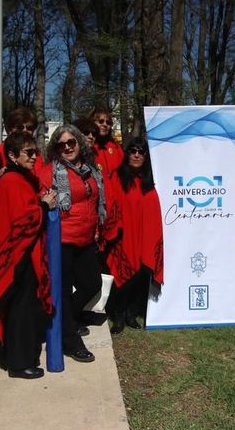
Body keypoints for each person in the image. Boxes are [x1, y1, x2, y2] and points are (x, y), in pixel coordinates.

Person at [0, 131, 57, 379]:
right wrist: (44, 204)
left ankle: (14, 356)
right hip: (17, 257)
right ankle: (19, 362)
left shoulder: (23, 178)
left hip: (23, 254)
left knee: (21, 309)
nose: (35, 157)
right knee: (20, 310)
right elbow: (25, 220)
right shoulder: (12, 181)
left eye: (36, 152)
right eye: (28, 153)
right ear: (12, 155)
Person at [38, 124, 106, 363]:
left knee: (91, 283)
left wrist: (97, 228)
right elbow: (40, 199)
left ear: (79, 142)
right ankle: (70, 340)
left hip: (86, 238)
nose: (67, 147)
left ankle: (67, 320)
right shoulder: (49, 172)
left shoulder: (90, 170)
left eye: (71, 142)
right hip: (62, 240)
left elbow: (96, 201)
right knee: (64, 291)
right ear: (55, 148)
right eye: (61, 144)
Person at [104, 137, 164, 334]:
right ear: (127, 154)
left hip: (143, 239)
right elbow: (111, 204)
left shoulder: (149, 183)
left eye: (141, 152)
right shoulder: (117, 178)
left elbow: (153, 212)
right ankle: (118, 316)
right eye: (133, 151)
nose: (137, 155)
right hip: (123, 238)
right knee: (122, 280)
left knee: (140, 277)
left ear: (146, 157)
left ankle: (131, 314)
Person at [0, 107, 38, 177]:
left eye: (29, 128)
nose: (25, 131)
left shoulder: (36, 153)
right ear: (9, 129)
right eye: (19, 127)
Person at [91, 109, 123, 180]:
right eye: (101, 121)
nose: (105, 124)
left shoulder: (116, 148)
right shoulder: (88, 148)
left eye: (108, 123)